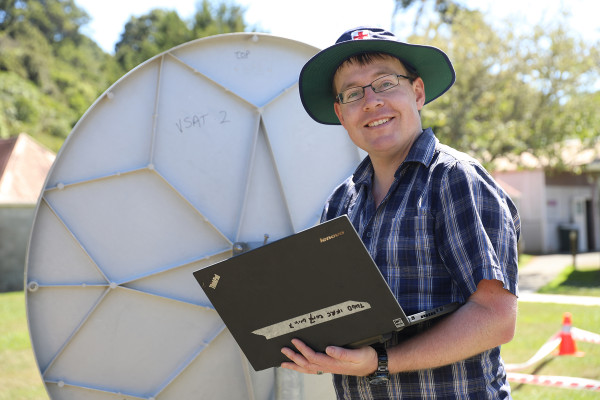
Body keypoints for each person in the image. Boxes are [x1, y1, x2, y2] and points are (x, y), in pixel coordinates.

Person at [280, 27, 521, 399]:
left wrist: (380, 360)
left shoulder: (455, 179)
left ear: (418, 92)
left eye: (385, 83)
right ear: (341, 115)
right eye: (353, 93)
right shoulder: (341, 202)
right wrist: (316, 348)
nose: (371, 101)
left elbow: (495, 318)